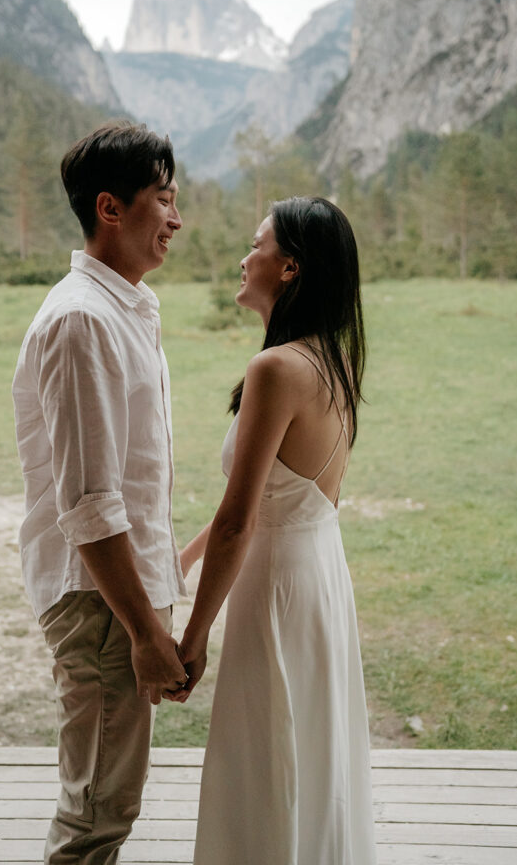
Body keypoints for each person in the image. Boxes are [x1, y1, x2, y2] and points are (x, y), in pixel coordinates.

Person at [175, 196, 377, 864]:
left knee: (267, 757)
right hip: (317, 575)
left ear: (289, 267)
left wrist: (193, 636)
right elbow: (268, 499)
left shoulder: (274, 369)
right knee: (308, 753)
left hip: (278, 590)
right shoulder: (333, 361)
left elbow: (240, 521)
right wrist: (183, 557)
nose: (243, 257)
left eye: (255, 244)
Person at [12, 120, 189, 865]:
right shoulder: (83, 319)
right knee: (95, 815)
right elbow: (90, 504)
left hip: (118, 595)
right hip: (101, 602)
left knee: (106, 804)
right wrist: (147, 632)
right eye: (164, 198)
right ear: (111, 209)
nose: (177, 219)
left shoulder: (126, 308)